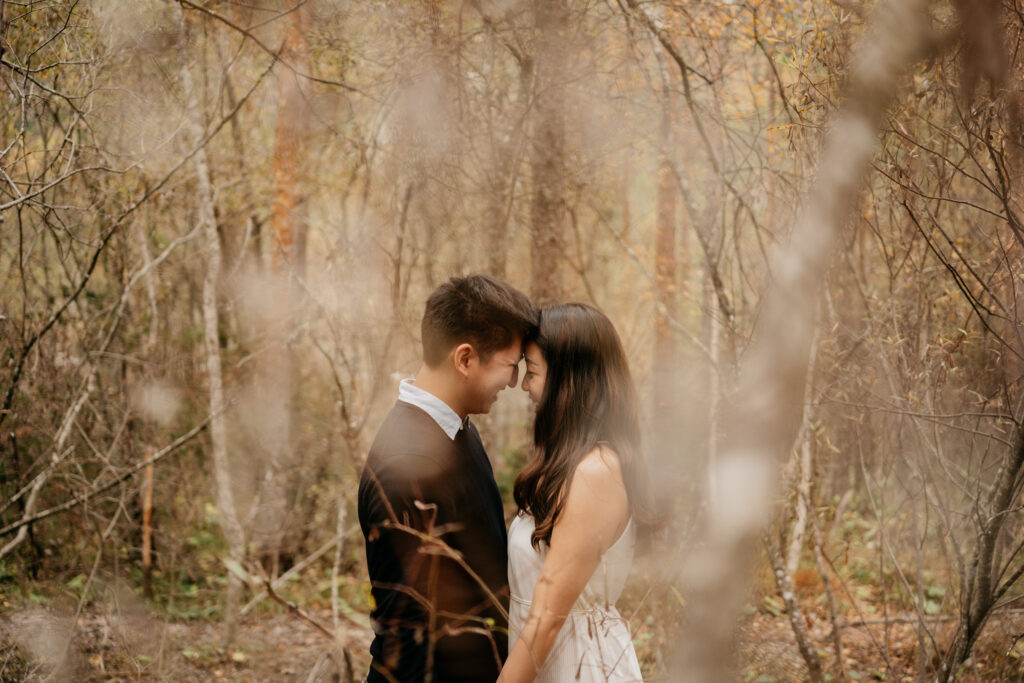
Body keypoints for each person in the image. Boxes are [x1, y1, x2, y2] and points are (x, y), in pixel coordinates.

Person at [357, 274, 538, 682]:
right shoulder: (409, 461)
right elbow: (412, 637)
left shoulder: (455, 428)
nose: (513, 383)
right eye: (510, 367)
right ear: (465, 359)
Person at [500, 303, 656, 683]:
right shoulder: (576, 465)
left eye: (532, 372)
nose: (524, 385)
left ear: (569, 380)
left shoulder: (596, 473)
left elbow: (546, 622)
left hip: (580, 666)